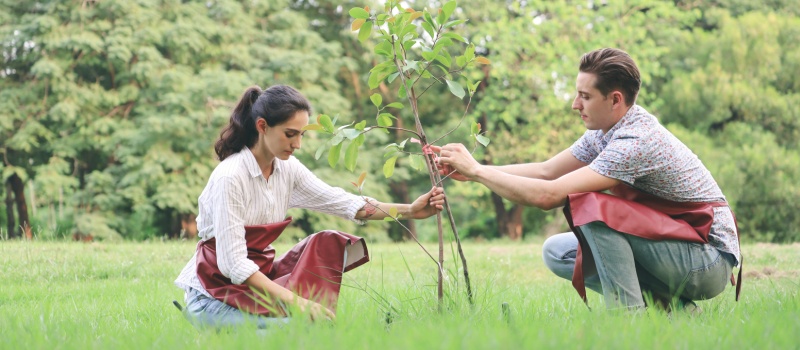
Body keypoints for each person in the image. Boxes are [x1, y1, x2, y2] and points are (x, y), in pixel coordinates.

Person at [435, 48, 741, 311]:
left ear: (615, 99)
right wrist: (475, 172)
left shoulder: (636, 140)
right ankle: (675, 311)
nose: (574, 105)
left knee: (592, 211)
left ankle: (627, 319)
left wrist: (478, 171)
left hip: (707, 262)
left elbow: (548, 195)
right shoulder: (605, 130)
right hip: (674, 247)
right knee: (559, 252)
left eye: (585, 96)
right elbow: (547, 171)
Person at [174, 85, 445, 328]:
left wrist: (410, 210)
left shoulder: (287, 169)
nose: (298, 144)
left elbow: (343, 202)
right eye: (290, 134)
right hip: (214, 295)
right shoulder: (230, 177)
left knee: (327, 243)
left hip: (256, 290)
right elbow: (234, 265)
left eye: (301, 134)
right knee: (293, 332)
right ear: (262, 126)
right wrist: (299, 303)